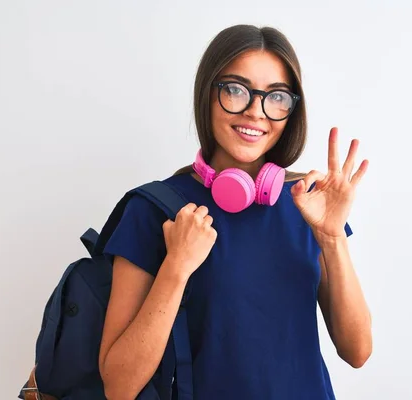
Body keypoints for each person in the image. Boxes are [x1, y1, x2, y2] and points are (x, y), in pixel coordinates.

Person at [98, 24, 372, 400]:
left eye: (276, 97)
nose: (255, 112)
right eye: (235, 90)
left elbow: (357, 351)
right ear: (208, 94)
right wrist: (176, 267)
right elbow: (119, 386)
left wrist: (331, 237)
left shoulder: (310, 204)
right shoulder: (154, 209)